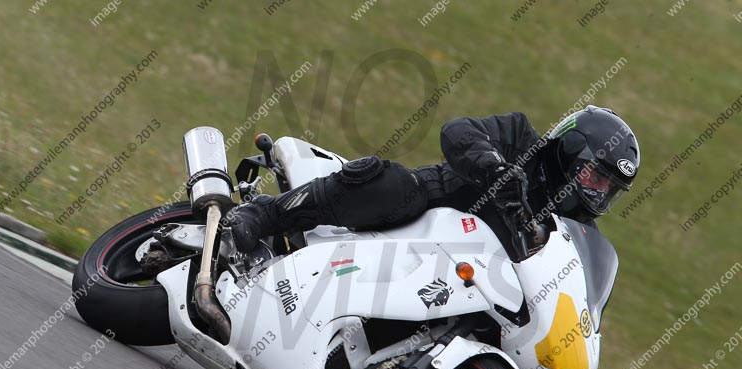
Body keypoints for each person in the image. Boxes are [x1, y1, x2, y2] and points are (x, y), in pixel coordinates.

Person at [228, 105, 640, 259]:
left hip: (472, 278)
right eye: (594, 174)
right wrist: (495, 169)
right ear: (570, 147)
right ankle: (265, 214)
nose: (597, 190)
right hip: (429, 212)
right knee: (395, 188)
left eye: (608, 187)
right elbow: (459, 131)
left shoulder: (578, 235)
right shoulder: (521, 139)